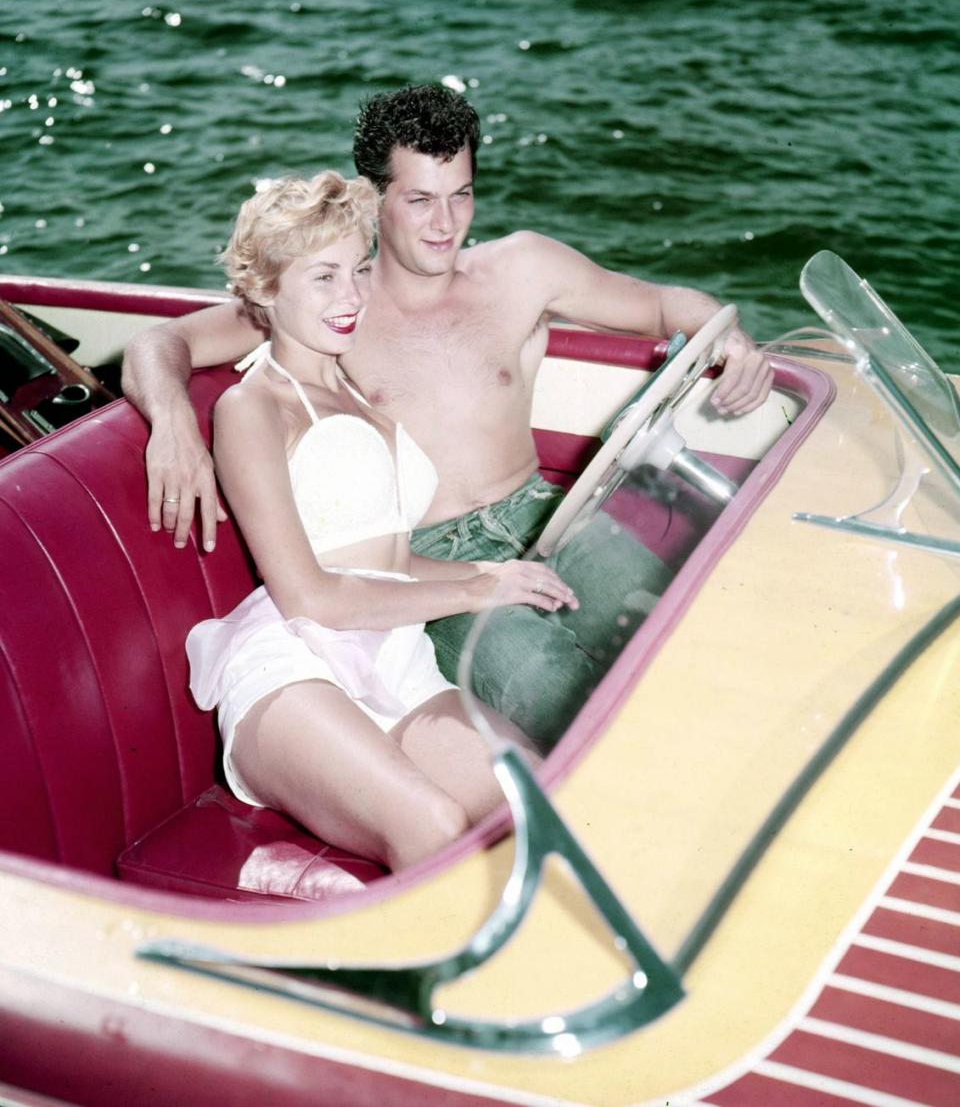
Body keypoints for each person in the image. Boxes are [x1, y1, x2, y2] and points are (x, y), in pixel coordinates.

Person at [123, 85, 774, 747]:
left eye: (460, 195)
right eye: (420, 200)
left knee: (694, 635)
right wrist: (174, 425)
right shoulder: (336, 303)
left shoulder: (522, 267)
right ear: (373, 198)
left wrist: (730, 338)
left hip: (550, 515)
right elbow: (158, 344)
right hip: (428, 556)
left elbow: (667, 304)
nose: (444, 223)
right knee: (562, 701)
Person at [186, 169, 564, 872]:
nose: (353, 296)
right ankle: (288, 881)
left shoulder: (354, 390)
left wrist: (492, 572)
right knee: (436, 826)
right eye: (323, 277)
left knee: (540, 801)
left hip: (393, 653)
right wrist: (472, 594)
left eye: (358, 270)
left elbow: (385, 558)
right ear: (266, 290)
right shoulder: (254, 406)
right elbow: (312, 594)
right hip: (291, 665)